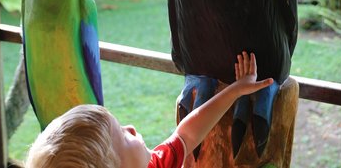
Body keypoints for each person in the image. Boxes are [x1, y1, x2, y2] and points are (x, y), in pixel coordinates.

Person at [26, 52, 273, 168]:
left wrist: (235, 90)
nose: (131, 128)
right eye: (124, 136)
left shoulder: (153, 164)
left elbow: (187, 135)